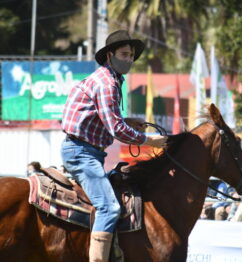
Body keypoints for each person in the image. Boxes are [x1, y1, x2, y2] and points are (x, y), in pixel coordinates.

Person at [61, 30, 168, 262]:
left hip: (87, 152)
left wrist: (127, 121)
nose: (129, 59)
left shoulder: (110, 80)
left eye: (131, 55)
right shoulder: (107, 83)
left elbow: (108, 120)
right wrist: (149, 140)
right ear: (110, 55)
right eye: (124, 54)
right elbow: (116, 130)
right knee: (109, 208)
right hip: (81, 153)